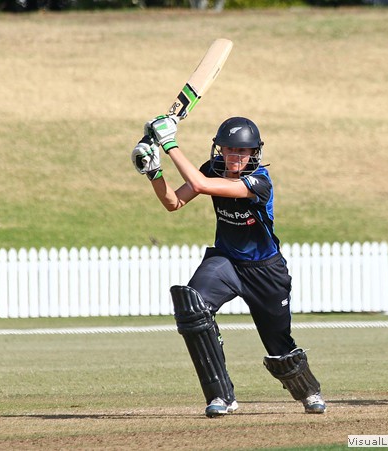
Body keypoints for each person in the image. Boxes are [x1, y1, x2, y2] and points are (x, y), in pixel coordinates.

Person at [131, 115, 326, 417]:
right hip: (226, 262)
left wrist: (169, 143)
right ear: (219, 149)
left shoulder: (259, 182)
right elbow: (173, 202)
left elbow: (201, 185)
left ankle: (308, 391)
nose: (235, 156)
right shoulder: (212, 168)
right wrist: (154, 173)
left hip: (265, 270)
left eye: (242, 151)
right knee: (193, 307)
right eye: (229, 149)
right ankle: (221, 396)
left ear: (254, 153)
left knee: (279, 346)